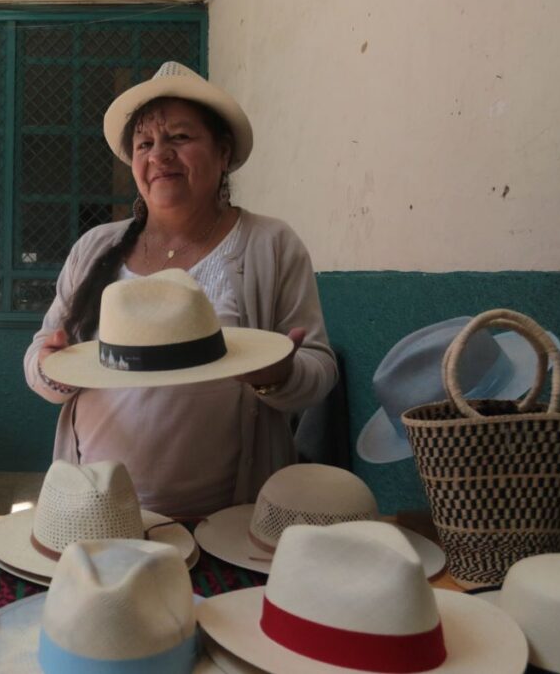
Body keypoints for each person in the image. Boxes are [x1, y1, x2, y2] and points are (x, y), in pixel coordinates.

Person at [24, 62, 338, 517]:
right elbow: (41, 354)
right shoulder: (96, 247)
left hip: (228, 514)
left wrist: (280, 377)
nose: (160, 156)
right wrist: (50, 367)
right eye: (145, 144)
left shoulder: (270, 244)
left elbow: (319, 367)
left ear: (223, 152)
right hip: (101, 510)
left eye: (180, 138)